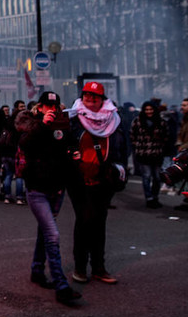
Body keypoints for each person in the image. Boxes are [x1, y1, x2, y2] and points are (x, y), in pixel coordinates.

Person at [16, 91, 82, 305]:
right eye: (47, 106)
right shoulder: (33, 124)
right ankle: (61, 286)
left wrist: (74, 153)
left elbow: (72, 144)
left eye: (54, 106)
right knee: (52, 235)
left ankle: (37, 270)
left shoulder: (63, 124)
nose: (52, 110)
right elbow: (25, 144)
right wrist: (43, 125)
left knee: (45, 231)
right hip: (36, 189)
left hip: (56, 188)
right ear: (40, 107)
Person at [66, 81, 124, 285]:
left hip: (103, 178)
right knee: (84, 220)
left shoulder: (114, 119)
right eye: (87, 96)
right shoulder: (72, 118)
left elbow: (121, 148)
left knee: (99, 222)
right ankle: (80, 267)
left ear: (102, 99)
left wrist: (119, 168)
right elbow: (62, 144)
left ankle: (99, 267)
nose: (90, 100)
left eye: (95, 97)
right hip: (79, 180)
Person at [129, 101, 169, 208]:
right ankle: (149, 198)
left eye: (150, 109)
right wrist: (138, 145)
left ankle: (155, 196)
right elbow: (132, 135)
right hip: (143, 153)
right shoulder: (137, 121)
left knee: (157, 177)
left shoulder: (161, 122)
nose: (149, 112)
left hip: (157, 153)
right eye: (146, 109)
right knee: (146, 176)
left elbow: (166, 136)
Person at [0, 100, 27, 205]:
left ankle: (7, 196)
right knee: (19, 175)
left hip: (6, 151)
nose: (23, 108)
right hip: (17, 151)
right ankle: (19, 197)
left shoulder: (9, 120)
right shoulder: (22, 121)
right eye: (21, 106)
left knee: (8, 174)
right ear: (16, 108)